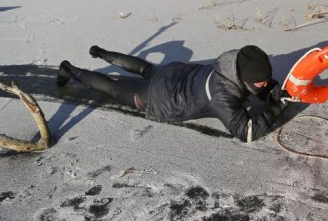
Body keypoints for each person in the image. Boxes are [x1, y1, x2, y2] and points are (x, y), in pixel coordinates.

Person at [56, 45, 291, 143]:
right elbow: (246, 132)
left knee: (145, 68)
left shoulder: (230, 62)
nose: (265, 83)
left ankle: (103, 53)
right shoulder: (222, 96)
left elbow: (260, 81)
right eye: (259, 83)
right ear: (243, 78)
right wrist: (277, 107)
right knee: (111, 87)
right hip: (159, 98)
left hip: (176, 73)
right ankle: (70, 69)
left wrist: (269, 90)